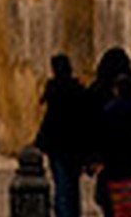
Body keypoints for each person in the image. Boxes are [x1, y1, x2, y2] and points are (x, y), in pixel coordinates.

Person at [87, 49, 131, 217]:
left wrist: (93, 159)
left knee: (111, 203)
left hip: (111, 164)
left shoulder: (99, 92)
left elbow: (92, 128)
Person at [34, 53, 92, 217]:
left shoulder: (53, 88)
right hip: (75, 145)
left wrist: (40, 141)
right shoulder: (77, 89)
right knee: (72, 185)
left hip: (58, 145)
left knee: (62, 184)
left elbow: (48, 117)